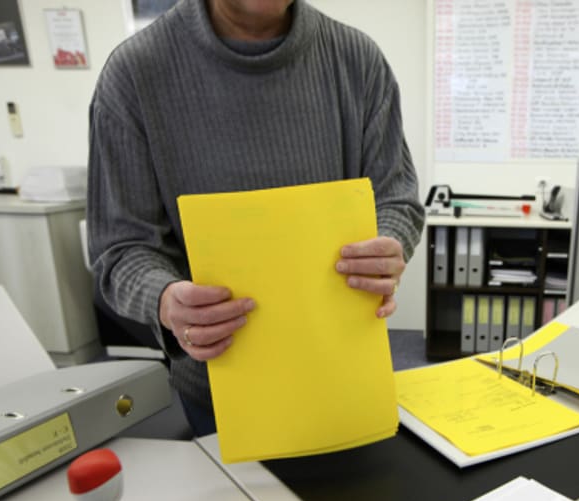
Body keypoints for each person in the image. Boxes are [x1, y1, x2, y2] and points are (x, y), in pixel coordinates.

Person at [87, 0, 425, 436]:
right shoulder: (134, 74)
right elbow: (120, 248)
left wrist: (386, 244)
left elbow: (396, 197)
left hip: (344, 371)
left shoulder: (357, 59)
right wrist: (166, 300)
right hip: (218, 388)